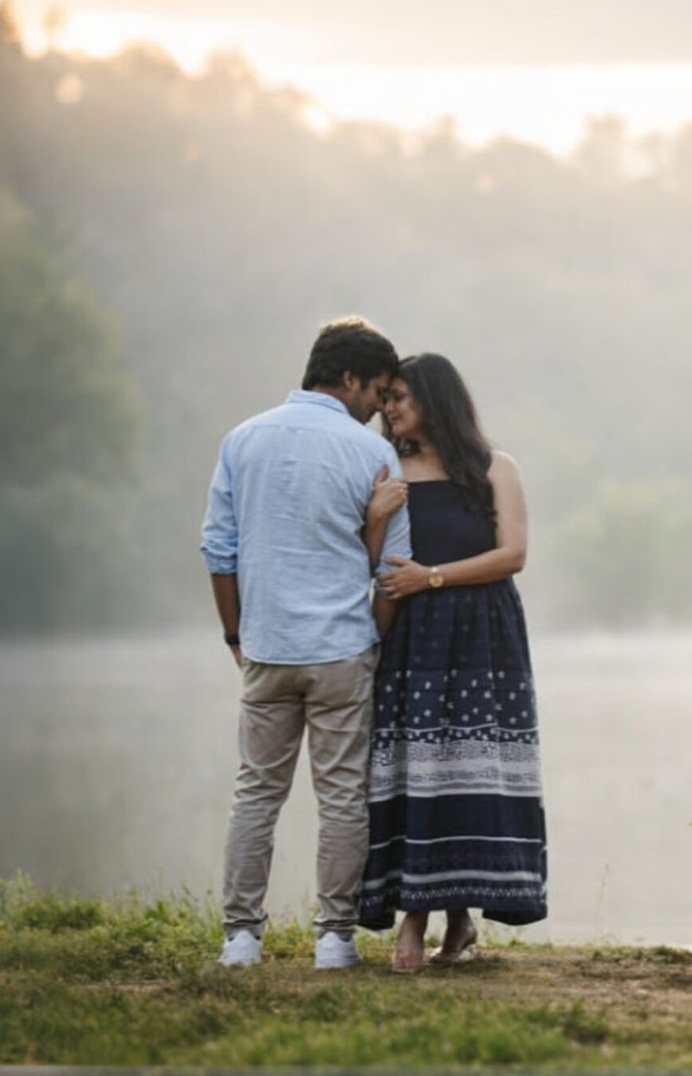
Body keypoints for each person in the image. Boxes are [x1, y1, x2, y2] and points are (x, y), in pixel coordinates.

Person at [200, 316, 412, 970]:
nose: (380, 406)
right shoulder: (374, 455)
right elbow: (394, 572)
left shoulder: (242, 439)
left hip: (268, 649)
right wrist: (369, 641)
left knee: (256, 792)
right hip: (342, 651)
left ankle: (240, 938)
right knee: (343, 795)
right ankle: (333, 940)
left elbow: (217, 549)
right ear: (347, 377)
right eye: (376, 390)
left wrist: (238, 635)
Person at [358, 352, 547, 972]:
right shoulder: (390, 472)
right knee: (420, 770)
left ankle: (440, 920)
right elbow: (373, 560)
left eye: (400, 398)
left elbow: (512, 555)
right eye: (386, 399)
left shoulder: (497, 467)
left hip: (485, 638)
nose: (388, 409)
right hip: (413, 636)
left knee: (471, 767)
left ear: (435, 400)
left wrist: (431, 579)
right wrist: (378, 520)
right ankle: (436, 918)